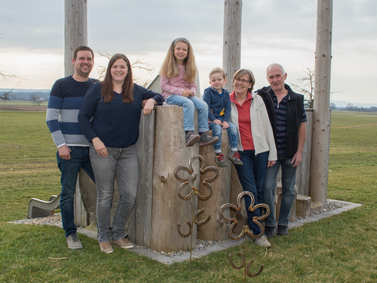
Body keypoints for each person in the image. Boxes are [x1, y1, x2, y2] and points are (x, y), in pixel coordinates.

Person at [78, 53, 164, 254]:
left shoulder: (134, 90)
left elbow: (159, 95)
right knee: (105, 195)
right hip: (103, 150)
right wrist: (95, 140)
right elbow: (83, 116)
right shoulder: (98, 89)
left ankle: (117, 233)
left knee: (129, 194)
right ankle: (103, 236)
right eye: (115, 66)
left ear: (128, 70)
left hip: (128, 151)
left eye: (122, 67)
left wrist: (151, 101)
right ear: (110, 69)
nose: (118, 70)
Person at [46, 46, 97, 249]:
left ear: (93, 62)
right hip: (70, 150)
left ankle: (104, 228)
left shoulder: (97, 86)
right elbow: (51, 118)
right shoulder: (61, 85)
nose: (86, 62)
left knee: (106, 188)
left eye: (89, 59)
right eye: (82, 58)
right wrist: (61, 145)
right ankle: (71, 233)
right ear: (73, 61)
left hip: (93, 149)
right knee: (68, 193)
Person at [229, 69, 277, 248]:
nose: (240, 83)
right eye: (237, 79)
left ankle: (258, 227)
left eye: (244, 80)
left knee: (261, 189)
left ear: (250, 84)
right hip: (241, 153)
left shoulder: (257, 100)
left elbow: (266, 126)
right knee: (250, 190)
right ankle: (258, 234)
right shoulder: (227, 100)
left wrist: (272, 153)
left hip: (260, 151)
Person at [259, 63, 307, 238]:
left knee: (288, 190)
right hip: (270, 154)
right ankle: (270, 224)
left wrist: (299, 151)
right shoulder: (262, 96)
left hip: (290, 153)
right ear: (267, 79)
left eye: (278, 76)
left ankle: (283, 225)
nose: (275, 80)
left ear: (285, 76)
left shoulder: (296, 99)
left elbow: (302, 126)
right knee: (268, 188)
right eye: (271, 77)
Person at [160, 37, 219, 147]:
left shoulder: (189, 67)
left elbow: (193, 85)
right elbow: (164, 85)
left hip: (186, 95)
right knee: (188, 104)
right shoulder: (168, 66)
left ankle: (203, 133)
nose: (181, 52)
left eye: (184, 49)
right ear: (173, 50)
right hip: (171, 96)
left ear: (188, 52)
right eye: (178, 49)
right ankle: (189, 133)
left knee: (203, 105)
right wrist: (181, 91)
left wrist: (191, 92)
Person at [202, 67, 243, 167]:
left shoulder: (225, 94)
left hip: (221, 118)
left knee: (233, 128)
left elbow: (228, 108)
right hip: (211, 119)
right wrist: (213, 120)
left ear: (224, 81)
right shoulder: (208, 93)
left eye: (219, 79)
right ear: (210, 82)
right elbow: (205, 107)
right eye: (213, 80)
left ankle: (233, 152)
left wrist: (225, 121)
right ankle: (218, 153)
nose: (216, 82)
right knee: (217, 130)